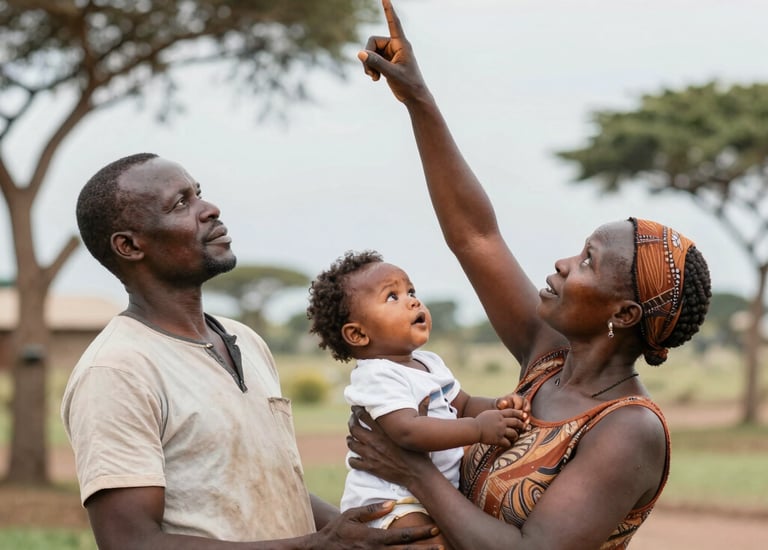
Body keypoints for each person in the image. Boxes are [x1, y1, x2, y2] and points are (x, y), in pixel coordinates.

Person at [345, 2, 713, 549]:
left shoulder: (628, 428)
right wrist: (418, 99)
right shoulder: (547, 362)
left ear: (624, 312)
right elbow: (475, 236)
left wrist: (413, 472)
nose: (563, 264)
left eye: (587, 261)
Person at [60, 153, 443, 549]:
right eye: (181, 203)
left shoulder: (244, 339)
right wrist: (314, 546)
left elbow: (273, 486)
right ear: (129, 245)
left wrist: (377, 534)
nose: (210, 209)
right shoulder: (117, 370)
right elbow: (130, 542)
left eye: (199, 194)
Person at [306, 249, 530, 548]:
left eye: (411, 291)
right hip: (393, 501)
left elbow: (462, 404)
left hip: (431, 493)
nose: (412, 301)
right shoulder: (377, 375)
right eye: (392, 296)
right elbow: (407, 430)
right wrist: (478, 429)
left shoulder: (429, 362)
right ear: (358, 334)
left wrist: (498, 406)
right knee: (425, 542)